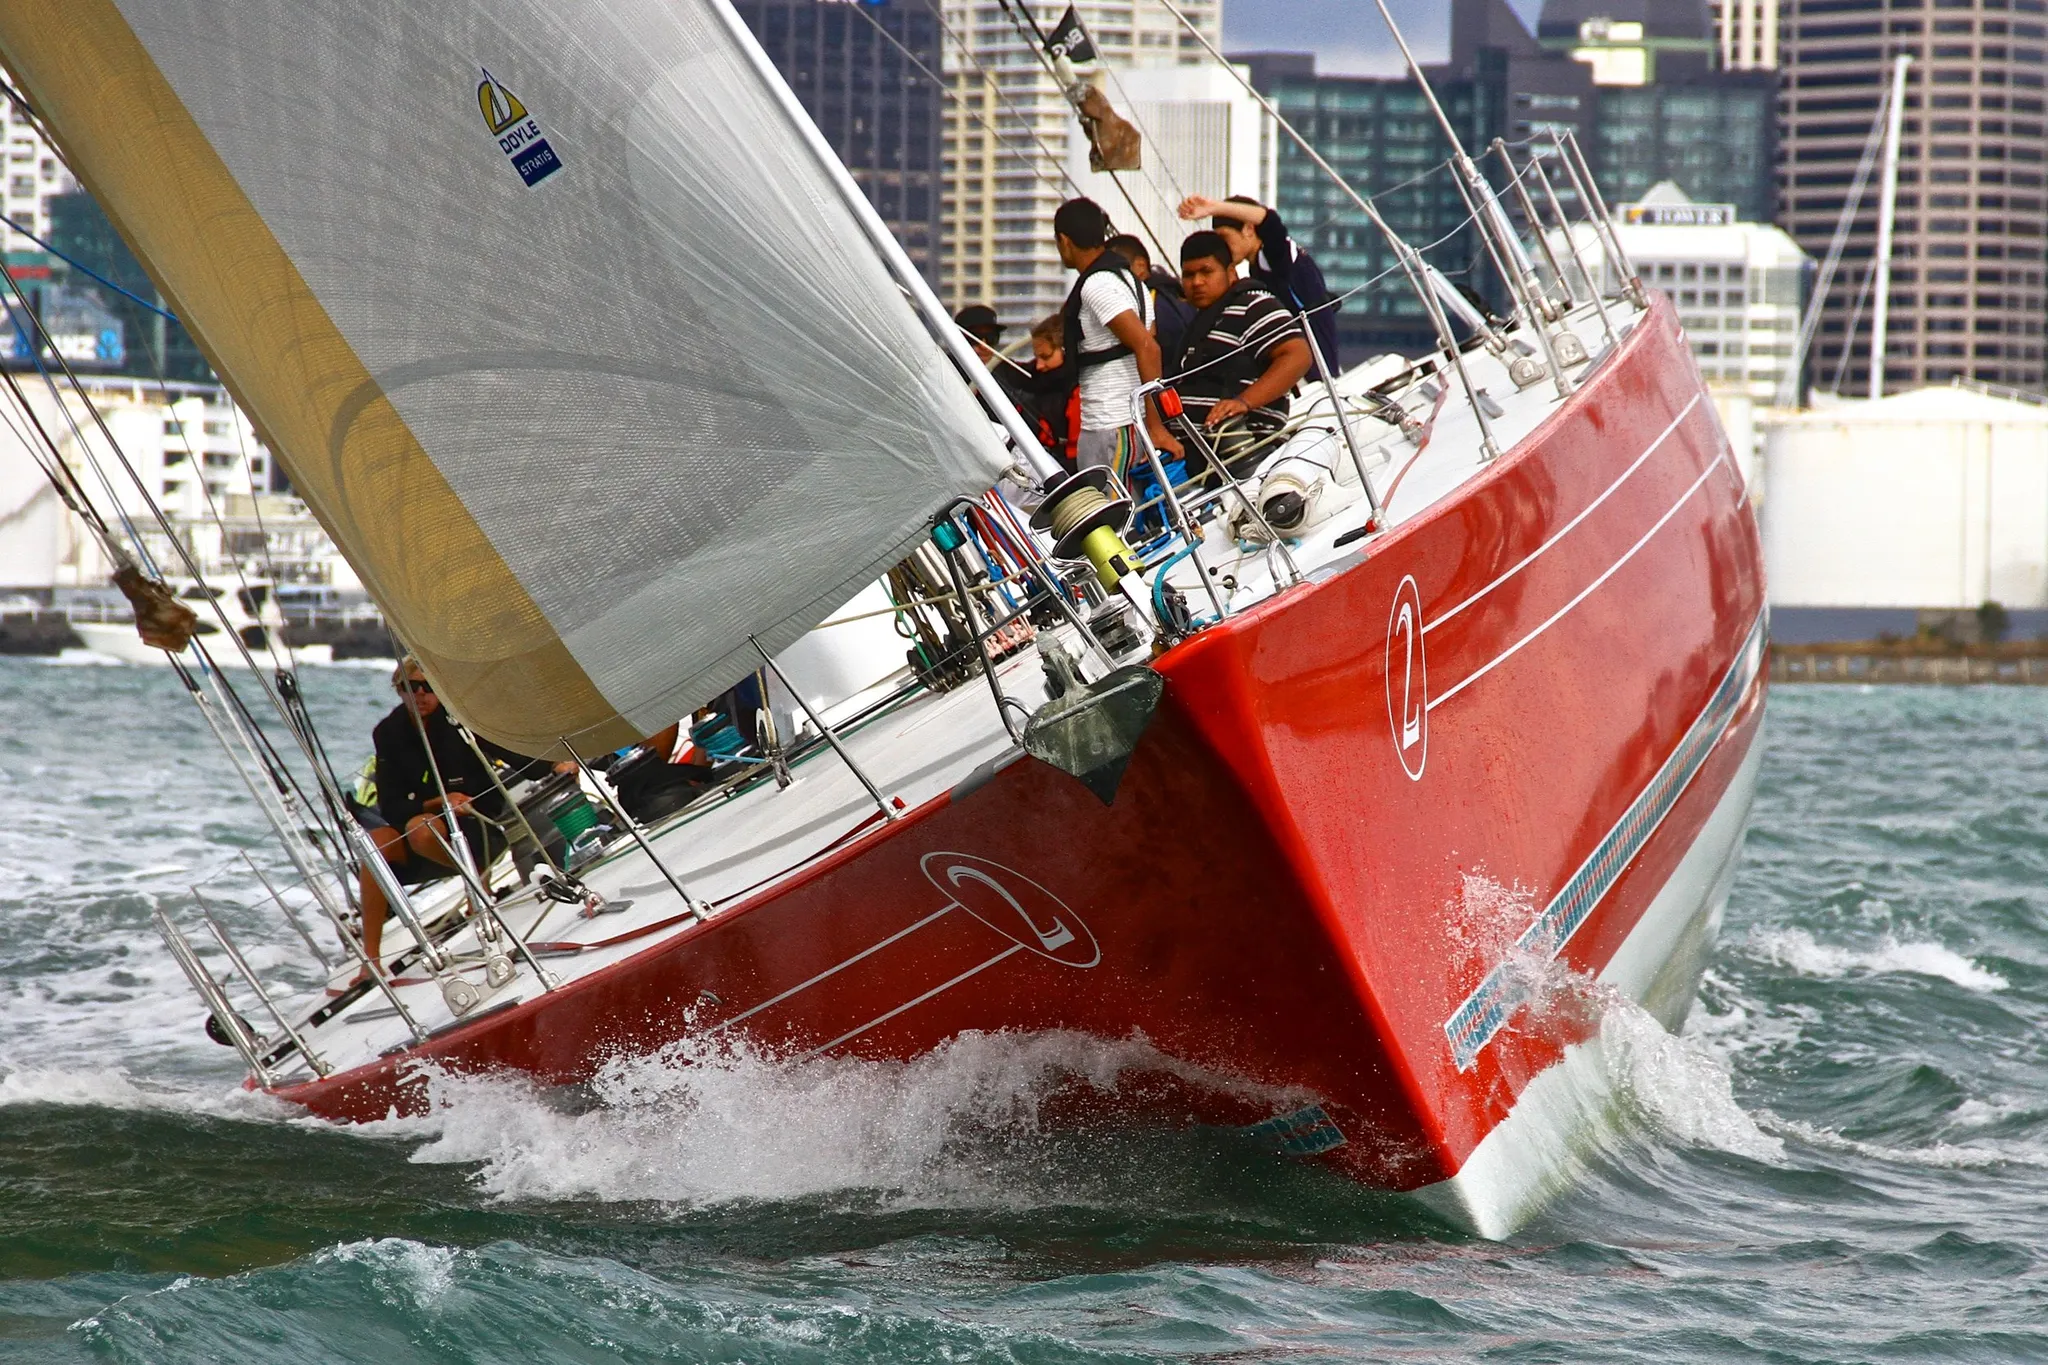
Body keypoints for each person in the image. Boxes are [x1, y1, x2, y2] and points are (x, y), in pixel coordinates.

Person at [353, 659, 546, 973]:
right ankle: (370, 960)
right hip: (430, 832)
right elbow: (391, 806)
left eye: (428, 687)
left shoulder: (461, 720)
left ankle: (478, 885)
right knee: (378, 842)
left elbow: (509, 751)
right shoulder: (389, 733)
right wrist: (438, 803)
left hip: (480, 826)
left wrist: (554, 763)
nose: (420, 695)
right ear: (399, 691)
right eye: (409, 687)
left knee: (420, 828)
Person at [1166, 230, 1313, 479]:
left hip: (1240, 459)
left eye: (1206, 271)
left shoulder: (1253, 305)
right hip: (1195, 463)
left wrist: (1243, 402)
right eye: (1189, 274)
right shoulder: (1202, 319)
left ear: (1231, 272)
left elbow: (1298, 355)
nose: (1197, 282)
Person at [1052, 197, 1179, 478]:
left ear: (1064, 240)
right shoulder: (1132, 281)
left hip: (1110, 427)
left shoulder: (1098, 285)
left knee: (1109, 517)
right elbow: (1149, 339)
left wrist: (1156, 428)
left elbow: (1148, 348)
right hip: (1130, 425)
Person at [1176, 193, 1341, 374]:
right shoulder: (1257, 269)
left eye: (1225, 238)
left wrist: (1213, 208)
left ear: (1248, 229)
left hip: (1312, 365)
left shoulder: (1277, 257)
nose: (1223, 248)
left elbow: (1269, 222)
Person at [1106, 232, 1195, 362]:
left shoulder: (1151, 300)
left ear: (1140, 265)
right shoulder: (1173, 292)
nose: (1109, 279)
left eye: (1116, 270)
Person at [1027, 312, 1079, 467]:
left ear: (1065, 350)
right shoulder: (1037, 380)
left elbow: (1076, 452)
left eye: (1046, 357)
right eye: (1037, 358)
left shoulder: (1078, 391)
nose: (1039, 365)